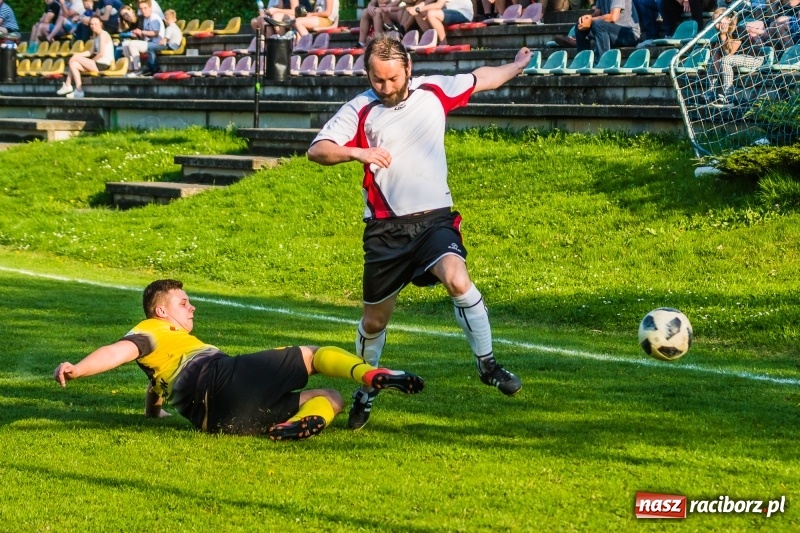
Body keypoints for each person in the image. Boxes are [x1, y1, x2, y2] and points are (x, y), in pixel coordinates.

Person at [307, 37, 528, 430]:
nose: (386, 87)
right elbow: (318, 149)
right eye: (378, 80)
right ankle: (366, 388)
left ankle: (488, 364)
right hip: (385, 232)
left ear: (408, 67)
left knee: (459, 281)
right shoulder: (360, 108)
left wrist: (515, 65)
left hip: (433, 223)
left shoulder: (434, 91)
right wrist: (358, 152)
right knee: (374, 322)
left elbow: (482, 78)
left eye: (392, 78)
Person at [53, 279, 425, 440]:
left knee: (330, 397)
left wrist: (153, 413)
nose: (191, 306)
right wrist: (78, 368)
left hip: (217, 420)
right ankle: (372, 373)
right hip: (223, 378)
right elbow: (120, 351)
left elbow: (155, 384)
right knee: (312, 356)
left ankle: (290, 428)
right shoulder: (150, 329)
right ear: (160, 311)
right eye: (183, 302)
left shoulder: (164, 352)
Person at [55, 15, 113, 98]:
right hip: (97, 63)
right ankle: (79, 90)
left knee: (75, 59)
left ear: (100, 24)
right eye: (91, 24)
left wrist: (91, 61)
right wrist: (77, 55)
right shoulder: (96, 36)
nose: (93, 26)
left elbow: (101, 53)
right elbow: (90, 52)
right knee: (74, 64)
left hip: (103, 64)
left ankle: (68, 85)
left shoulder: (103, 34)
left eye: (95, 24)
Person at [574, 0, 640, 62]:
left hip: (630, 35)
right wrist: (587, 18)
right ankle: (583, 61)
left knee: (598, 24)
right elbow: (597, 13)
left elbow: (613, 17)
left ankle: (603, 61)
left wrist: (591, 20)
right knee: (580, 25)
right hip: (611, 31)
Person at [122, 0, 164, 76]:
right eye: (141, 9)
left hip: (158, 43)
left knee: (132, 44)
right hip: (149, 42)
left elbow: (155, 33)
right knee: (125, 44)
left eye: (145, 8)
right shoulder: (146, 19)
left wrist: (141, 32)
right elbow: (145, 35)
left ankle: (137, 69)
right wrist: (138, 33)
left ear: (150, 8)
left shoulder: (154, 17)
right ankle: (131, 67)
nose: (143, 11)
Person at [408, 0, 473, 44]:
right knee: (418, 14)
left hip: (463, 13)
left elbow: (438, 5)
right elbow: (428, 1)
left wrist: (418, 9)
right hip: (450, 11)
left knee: (432, 14)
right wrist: (414, 8)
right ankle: (432, 39)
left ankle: (443, 43)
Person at [144, 8, 182, 74]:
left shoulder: (169, 28)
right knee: (153, 48)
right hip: (176, 45)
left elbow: (163, 41)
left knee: (150, 48)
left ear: (165, 20)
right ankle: (149, 67)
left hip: (171, 46)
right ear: (175, 19)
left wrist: (156, 44)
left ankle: (155, 68)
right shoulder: (176, 27)